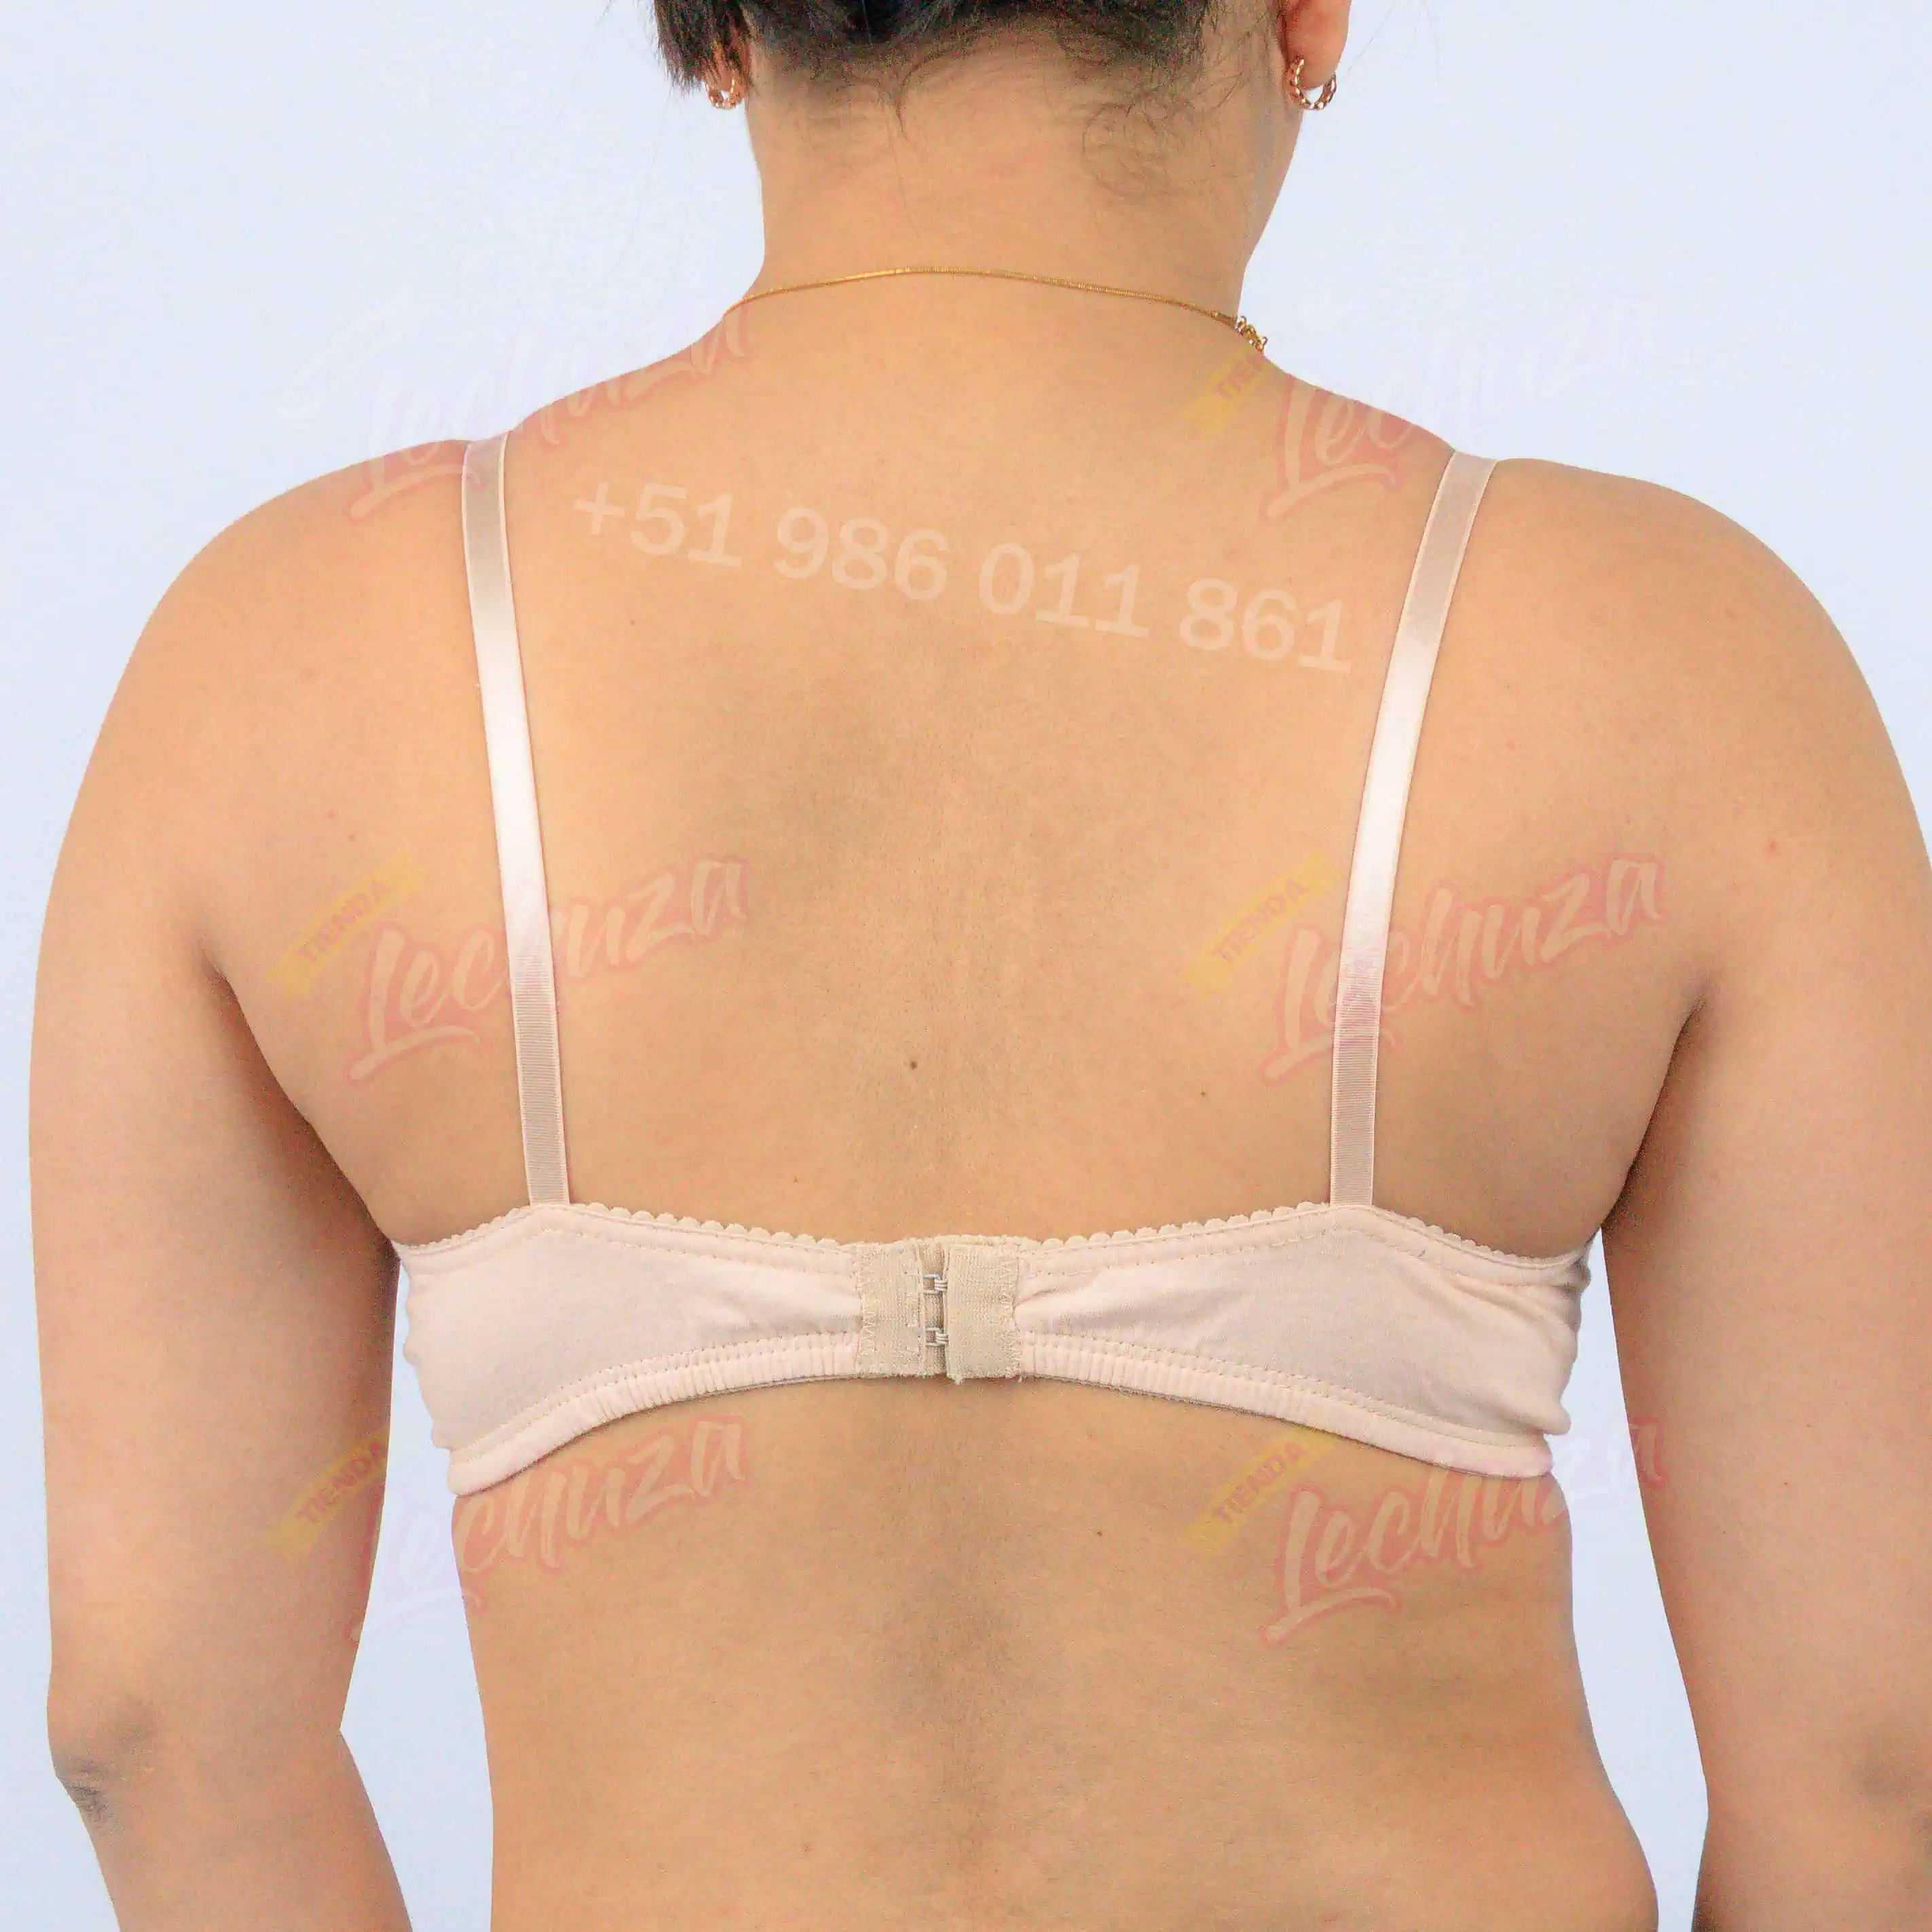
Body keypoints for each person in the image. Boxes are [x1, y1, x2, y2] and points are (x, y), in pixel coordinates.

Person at [32, 0, 1932, 1924]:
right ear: (1307, 16)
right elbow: (1876, 1775)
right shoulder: (1664, 663)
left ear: (716, 28)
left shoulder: (288, 666)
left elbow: (156, 1729)